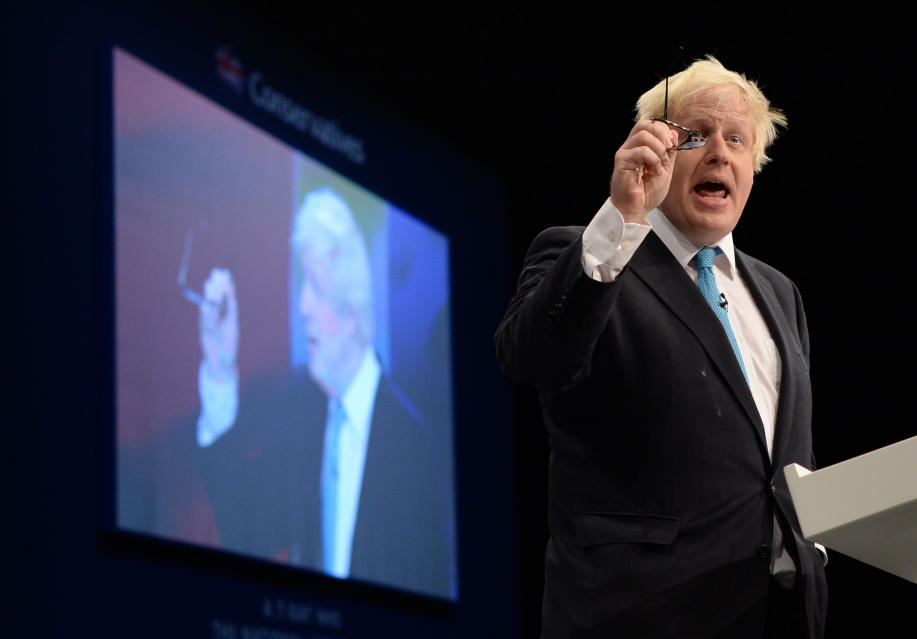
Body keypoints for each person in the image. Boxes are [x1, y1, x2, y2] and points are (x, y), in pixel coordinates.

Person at [495, 56, 827, 638]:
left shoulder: (780, 293)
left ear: (754, 166)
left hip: (779, 615)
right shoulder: (589, 252)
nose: (719, 153)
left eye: (737, 140)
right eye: (695, 136)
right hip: (639, 611)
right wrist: (623, 217)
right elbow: (532, 358)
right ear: (655, 150)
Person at [195, 188, 455, 599]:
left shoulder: (413, 446)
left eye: (314, 287)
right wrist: (220, 367)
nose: (303, 307)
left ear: (352, 311)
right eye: (303, 285)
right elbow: (247, 530)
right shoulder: (302, 406)